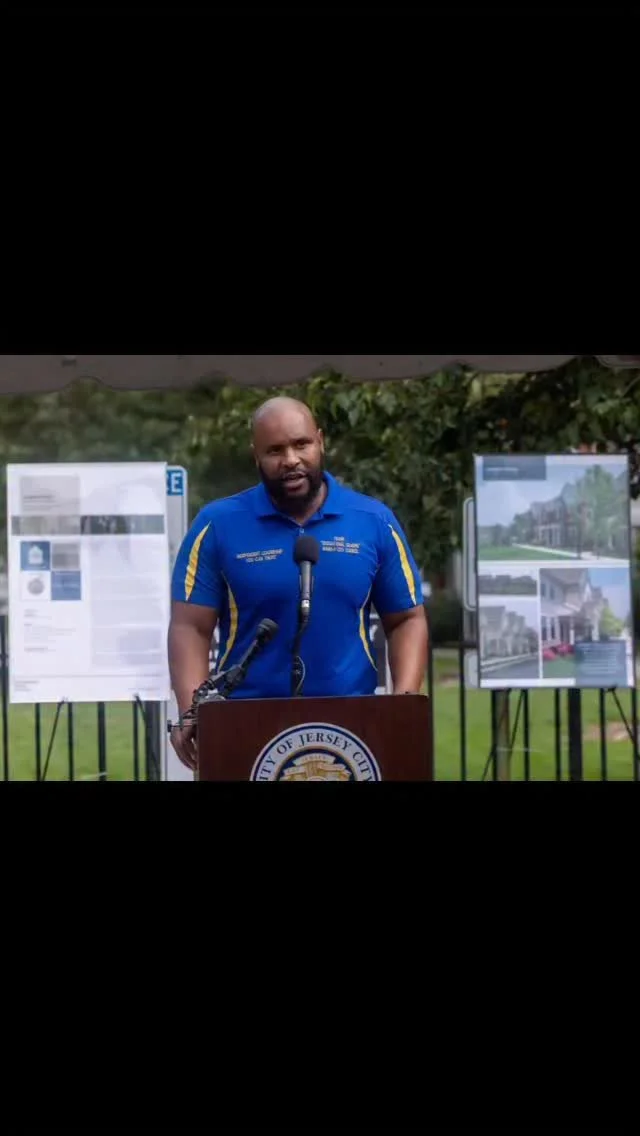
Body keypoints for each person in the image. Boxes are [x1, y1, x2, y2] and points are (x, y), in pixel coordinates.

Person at [168, 397, 429, 771]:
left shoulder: (373, 521)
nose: (290, 460)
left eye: (301, 444)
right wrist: (191, 710)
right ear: (255, 456)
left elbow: (406, 618)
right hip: (243, 723)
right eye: (274, 450)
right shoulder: (217, 525)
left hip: (353, 726)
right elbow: (190, 626)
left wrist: (403, 703)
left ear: (320, 442)